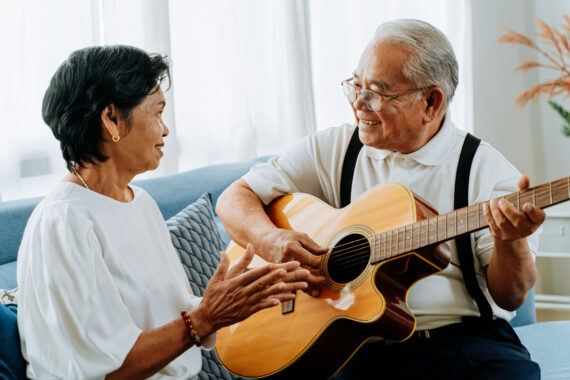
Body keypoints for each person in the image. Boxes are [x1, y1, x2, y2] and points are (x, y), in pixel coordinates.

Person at [216, 19, 545, 379]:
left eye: (376, 92)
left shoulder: (491, 172)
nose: (358, 103)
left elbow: (511, 297)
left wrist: (509, 242)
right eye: (356, 86)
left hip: (467, 342)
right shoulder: (335, 148)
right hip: (357, 344)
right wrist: (272, 240)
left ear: (431, 102)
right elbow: (234, 198)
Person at [16, 45, 310, 380]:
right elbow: (104, 372)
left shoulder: (139, 201)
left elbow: (169, 317)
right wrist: (205, 318)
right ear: (111, 119)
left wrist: (237, 297)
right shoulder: (63, 221)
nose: (165, 130)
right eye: (156, 113)